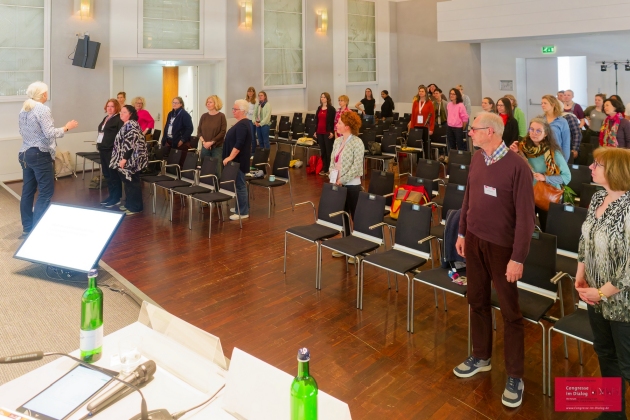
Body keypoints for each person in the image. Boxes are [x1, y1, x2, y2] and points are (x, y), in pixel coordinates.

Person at [454, 112, 535, 409]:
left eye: (473, 129)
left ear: (489, 131)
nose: (470, 133)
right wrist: (462, 232)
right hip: (474, 241)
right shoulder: (477, 159)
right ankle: (481, 356)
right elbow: (468, 198)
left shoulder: (518, 167)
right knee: (476, 300)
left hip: (502, 248)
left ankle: (514, 375)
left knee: (510, 313)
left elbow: (526, 218)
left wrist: (518, 258)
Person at [575, 147, 630, 420]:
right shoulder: (597, 197)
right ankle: (613, 414)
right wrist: (580, 273)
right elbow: (585, 239)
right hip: (595, 297)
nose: (591, 167)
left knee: (627, 364)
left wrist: (601, 292)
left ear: (616, 171)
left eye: (597, 164)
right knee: (605, 353)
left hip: (623, 303)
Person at [18, 81, 78, 236]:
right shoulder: (42, 109)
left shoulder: (24, 109)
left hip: (25, 153)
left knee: (28, 192)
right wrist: (66, 127)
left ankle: (27, 228)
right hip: (40, 154)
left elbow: (22, 132)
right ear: (43, 94)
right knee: (45, 192)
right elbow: (50, 133)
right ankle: (37, 231)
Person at [509, 118, 571, 231]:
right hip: (528, 194)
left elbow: (567, 177)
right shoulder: (522, 149)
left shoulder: (554, 153)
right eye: (531, 129)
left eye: (538, 131)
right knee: (526, 229)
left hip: (547, 195)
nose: (534, 133)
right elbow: (515, 170)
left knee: (547, 230)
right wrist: (514, 154)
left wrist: (545, 178)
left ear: (546, 133)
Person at [330, 111, 364, 248]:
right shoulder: (337, 141)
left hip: (352, 185)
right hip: (338, 183)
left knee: (356, 217)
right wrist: (332, 176)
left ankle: (357, 248)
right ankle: (346, 246)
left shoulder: (357, 142)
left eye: (339, 123)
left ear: (347, 126)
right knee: (342, 216)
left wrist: (342, 180)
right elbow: (332, 161)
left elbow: (356, 167)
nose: (337, 125)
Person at [110, 105, 148, 215]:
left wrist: (124, 159)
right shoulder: (127, 124)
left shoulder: (132, 125)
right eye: (121, 112)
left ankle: (135, 207)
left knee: (132, 184)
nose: (121, 114)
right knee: (128, 183)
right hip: (127, 159)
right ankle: (129, 205)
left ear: (130, 114)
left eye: (124, 112)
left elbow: (130, 144)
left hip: (132, 161)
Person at [223, 100, 252, 220]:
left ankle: (243, 212)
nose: (233, 111)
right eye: (233, 109)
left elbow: (239, 143)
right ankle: (238, 207)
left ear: (243, 111)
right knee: (238, 184)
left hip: (239, 160)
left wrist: (230, 157)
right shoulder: (241, 123)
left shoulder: (242, 125)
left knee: (240, 185)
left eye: (235, 109)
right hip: (237, 160)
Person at [97, 99, 124, 208]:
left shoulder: (118, 119)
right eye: (108, 106)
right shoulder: (106, 118)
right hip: (103, 149)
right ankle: (111, 195)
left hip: (112, 150)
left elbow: (120, 136)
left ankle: (116, 198)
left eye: (112, 106)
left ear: (116, 107)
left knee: (113, 175)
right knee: (107, 174)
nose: (109, 108)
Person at [198, 95, 227, 178]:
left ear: (216, 103)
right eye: (207, 102)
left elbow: (222, 132)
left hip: (217, 147)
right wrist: (204, 142)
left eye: (210, 102)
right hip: (205, 147)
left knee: (217, 170)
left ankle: (217, 185)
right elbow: (199, 131)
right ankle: (205, 185)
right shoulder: (204, 116)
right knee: (205, 169)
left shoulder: (221, 116)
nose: (208, 104)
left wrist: (211, 142)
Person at [162, 96, 193, 167]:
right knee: (170, 162)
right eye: (173, 102)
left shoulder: (185, 115)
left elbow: (189, 129)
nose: (174, 104)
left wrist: (182, 140)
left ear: (181, 104)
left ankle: (179, 173)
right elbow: (167, 126)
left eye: (176, 103)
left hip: (179, 141)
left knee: (178, 162)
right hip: (169, 140)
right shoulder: (170, 113)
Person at [540, 95, 571, 161]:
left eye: (545, 103)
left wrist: (564, 160)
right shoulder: (539, 119)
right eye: (541, 103)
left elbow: (566, 142)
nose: (542, 105)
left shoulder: (562, 121)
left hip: (556, 155)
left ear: (553, 104)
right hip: (540, 154)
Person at [313, 92, 336, 176]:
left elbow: (334, 122)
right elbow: (317, 120)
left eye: (324, 97)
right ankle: (325, 168)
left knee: (329, 151)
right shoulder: (319, 108)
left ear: (327, 99)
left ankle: (330, 169)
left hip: (327, 133)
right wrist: (315, 131)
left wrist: (332, 132)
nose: (322, 98)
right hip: (319, 132)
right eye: (321, 97)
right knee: (323, 151)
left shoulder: (331, 109)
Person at [245, 87, 257, 155]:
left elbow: (255, 111)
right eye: (248, 91)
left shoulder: (255, 100)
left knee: (252, 136)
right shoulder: (245, 100)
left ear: (253, 92)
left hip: (252, 120)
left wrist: (248, 111)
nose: (249, 93)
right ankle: (248, 150)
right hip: (246, 119)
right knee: (247, 136)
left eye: (251, 91)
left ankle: (253, 152)